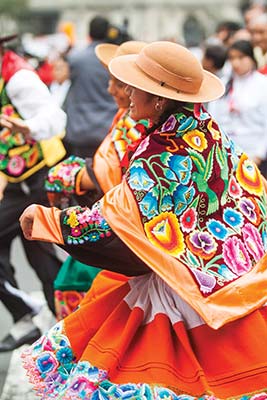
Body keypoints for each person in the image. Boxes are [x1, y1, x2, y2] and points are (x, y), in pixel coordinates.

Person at [20, 41, 267, 398]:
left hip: (180, 288)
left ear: (160, 99)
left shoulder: (161, 150)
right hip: (223, 282)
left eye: (134, 86)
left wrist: (49, 222)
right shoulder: (207, 130)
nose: (123, 93)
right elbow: (252, 192)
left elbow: (111, 222)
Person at [46, 40, 148, 319]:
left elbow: (122, 182)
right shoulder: (127, 116)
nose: (110, 90)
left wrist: (76, 177)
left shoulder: (140, 123)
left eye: (117, 83)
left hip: (132, 238)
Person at [0, 33, 66, 352]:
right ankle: (31, 314)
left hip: (37, 174)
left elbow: (55, 117)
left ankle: (62, 323)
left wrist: (29, 128)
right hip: (12, 180)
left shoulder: (18, 76)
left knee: (39, 249)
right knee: (38, 250)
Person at [207, 39, 267, 172]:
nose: (236, 63)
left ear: (251, 58)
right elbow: (213, 119)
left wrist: (259, 154)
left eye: (241, 57)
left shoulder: (263, 84)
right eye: (232, 58)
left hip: (255, 154)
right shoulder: (223, 84)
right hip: (226, 154)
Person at [63, 15, 117, 158]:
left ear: (89, 33)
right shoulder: (114, 61)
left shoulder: (76, 59)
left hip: (80, 129)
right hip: (108, 128)